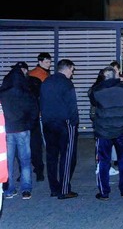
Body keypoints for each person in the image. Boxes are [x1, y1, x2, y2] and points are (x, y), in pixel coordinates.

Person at [89, 65, 123, 200]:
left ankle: (104, 192)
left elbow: (93, 103)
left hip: (103, 132)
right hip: (122, 130)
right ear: (116, 76)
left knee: (103, 161)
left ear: (103, 77)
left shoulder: (97, 90)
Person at [39, 58, 79, 199]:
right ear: (67, 68)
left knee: (51, 156)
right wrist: (74, 123)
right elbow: (72, 106)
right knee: (67, 156)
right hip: (65, 123)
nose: (72, 74)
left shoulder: (46, 82)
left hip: (48, 123)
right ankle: (64, 189)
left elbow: (41, 102)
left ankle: (54, 188)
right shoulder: (67, 83)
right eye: (72, 70)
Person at [0, 62, 38, 200]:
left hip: (7, 130)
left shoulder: (3, 92)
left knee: (8, 161)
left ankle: (9, 189)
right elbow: (34, 109)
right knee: (25, 160)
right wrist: (30, 124)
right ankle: (26, 189)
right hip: (23, 129)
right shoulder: (25, 90)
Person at [27, 52, 51, 182]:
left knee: (35, 142)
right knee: (43, 140)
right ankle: (45, 163)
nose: (49, 64)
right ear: (40, 62)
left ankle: (38, 165)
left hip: (35, 112)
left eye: (50, 62)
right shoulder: (40, 75)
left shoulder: (33, 73)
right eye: (47, 62)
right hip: (41, 112)